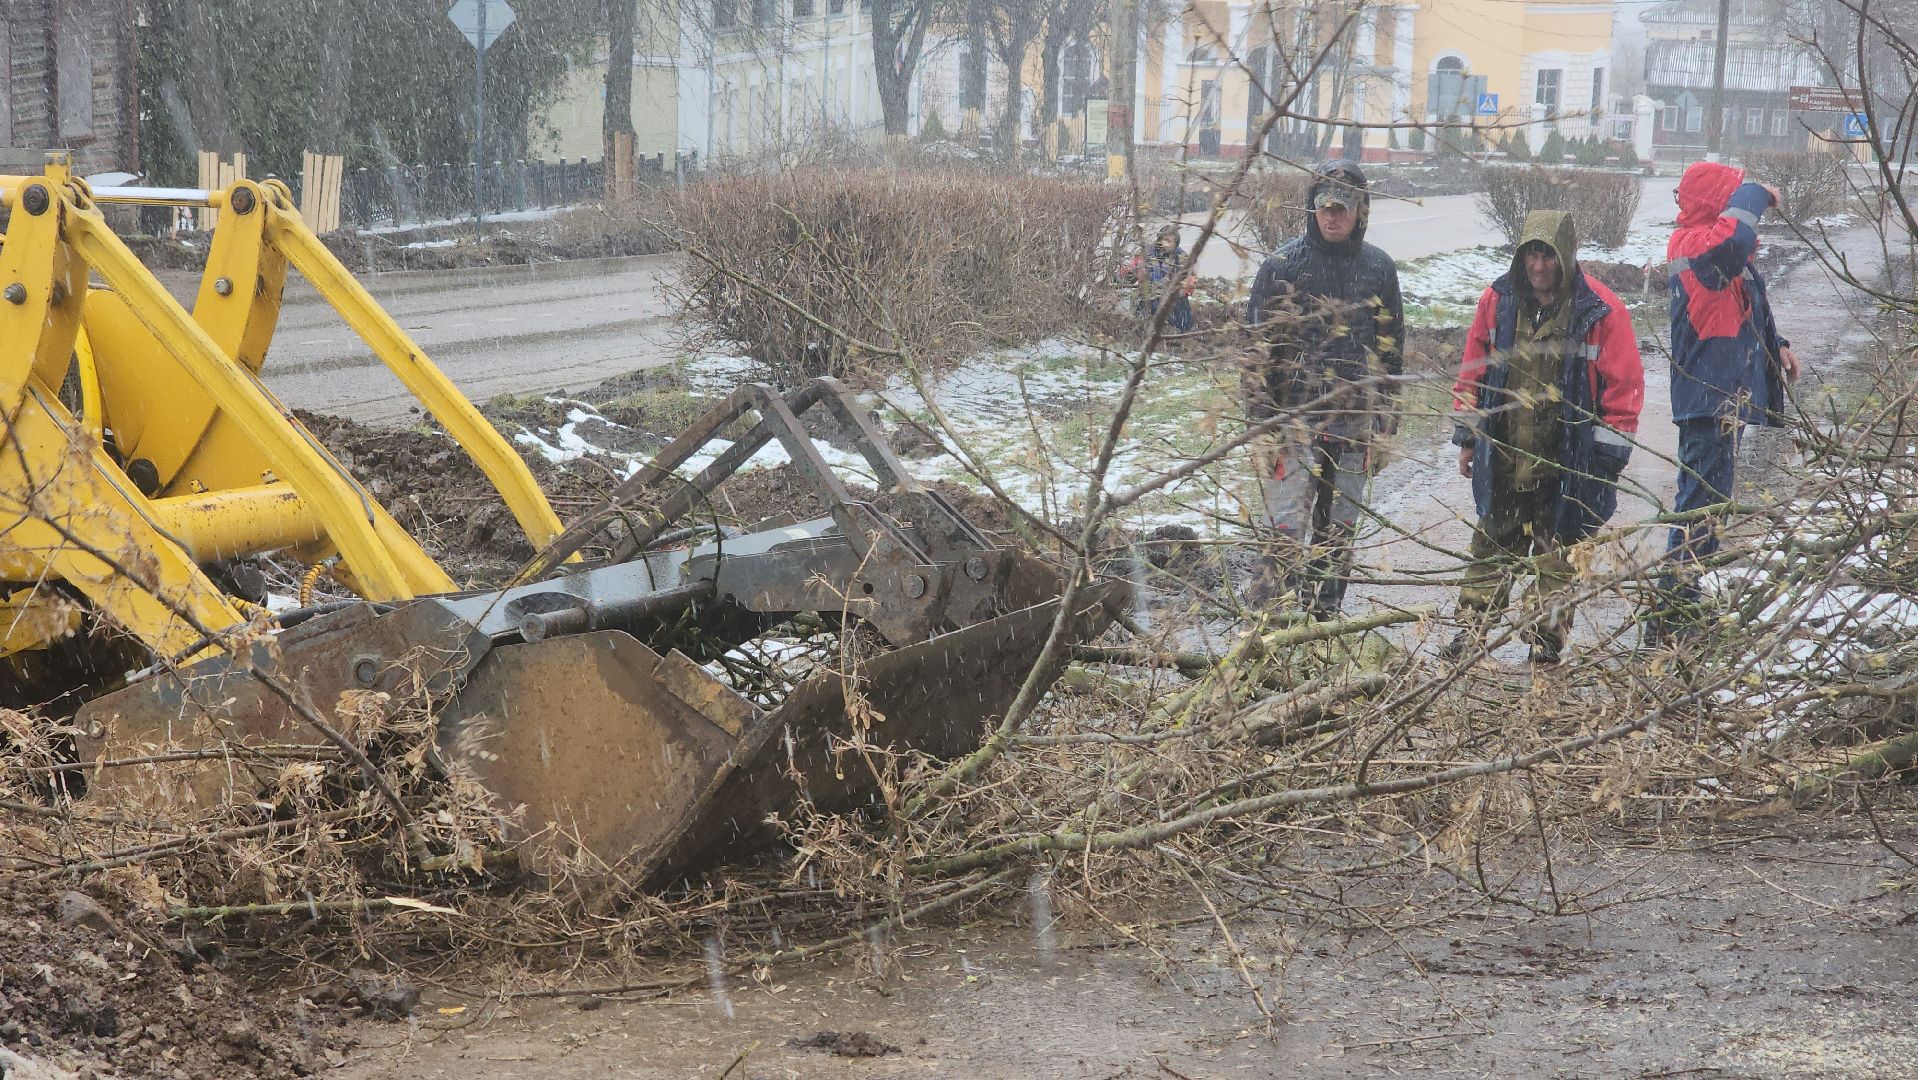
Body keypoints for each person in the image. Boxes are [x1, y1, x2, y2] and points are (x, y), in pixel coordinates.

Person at [1441, 210, 1645, 665]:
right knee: (1492, 544)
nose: (1539, 267)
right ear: (1521, 257)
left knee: (1558, 557)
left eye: (1548, 256)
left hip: (1567, 463)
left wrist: (1606, 463)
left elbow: (1625, 385)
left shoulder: (1600, 309)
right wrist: (1469, 437)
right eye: (1532, 255)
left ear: (1566, 258)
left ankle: (1544, 644)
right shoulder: (1498, 300)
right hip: (1507, 455)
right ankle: (1472, 632)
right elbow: (1473, 366)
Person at [1244, 160, 1404, 618]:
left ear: (1360, 210)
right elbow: (1256, 353)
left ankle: (1324, 622)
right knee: (1286, 531)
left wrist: (1385, 426)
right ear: (1311, 208)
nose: (1332, 216)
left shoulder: (1379, 269)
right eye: (1324, 207)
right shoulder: (1282, 267)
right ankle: (1266, 626)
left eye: (1343, 207)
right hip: (1291, 425)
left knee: (1339, 532)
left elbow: (1390, 355)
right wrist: (1261, 426)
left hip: (1354, 427)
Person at [1653, 162, 1802, 640]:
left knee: (1709, 505)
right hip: (1707, 398)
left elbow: (1745, 300)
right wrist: (1758, 191)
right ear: (1717, 201)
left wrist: (1776, 345)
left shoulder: (1713, 252)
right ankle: (1672, 612)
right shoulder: (1695, 245)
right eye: (1733, 194)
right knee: (1699, 505)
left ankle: (1682, 601)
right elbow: (1735, 241)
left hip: (1721, 398)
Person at [1127, 224, 1196, 333]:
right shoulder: (1147, 253)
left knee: (1182, 317)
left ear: (1176, 243)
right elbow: (1130, 272)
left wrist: (1180, 290)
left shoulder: (1182, 257)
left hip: (1172, 298)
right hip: (1149, 296)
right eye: (1164, 240)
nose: (1166, 244)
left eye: (1170, 241)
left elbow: (1190, 280)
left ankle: (1179, 332)